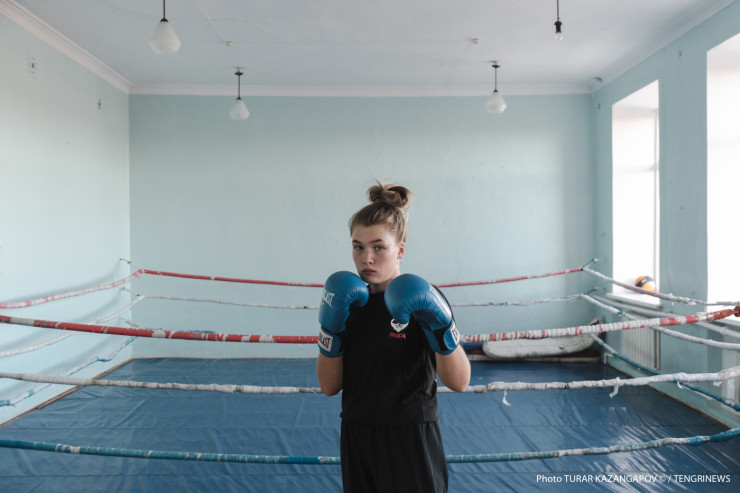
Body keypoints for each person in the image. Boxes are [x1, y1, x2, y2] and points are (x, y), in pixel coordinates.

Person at [316, 181, 471, 493]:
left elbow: (459, 382)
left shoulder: (423, 298)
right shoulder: (346, 301)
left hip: (409, 435)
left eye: (378, 247)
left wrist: (441, 328)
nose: (366, 258)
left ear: (400, 250)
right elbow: (329, 387)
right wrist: (329, 330)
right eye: (358, 247)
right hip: (357, 432)